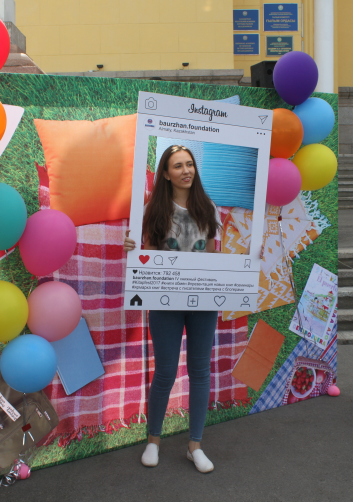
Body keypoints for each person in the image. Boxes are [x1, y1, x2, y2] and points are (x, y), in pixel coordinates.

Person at [124, 145, 220, 473]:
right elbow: (147, 254)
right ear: (165, 174)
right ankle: (153, 441)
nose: (186, 170)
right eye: (178, 166)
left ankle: (195, 446)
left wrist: (247, 262)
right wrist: (134, 250)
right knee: (165, 371)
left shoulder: (208, 207)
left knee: (200, 371)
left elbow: (211, 255)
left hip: (203, 301)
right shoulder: (154, 211)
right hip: (164, 301)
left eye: (189, 164)